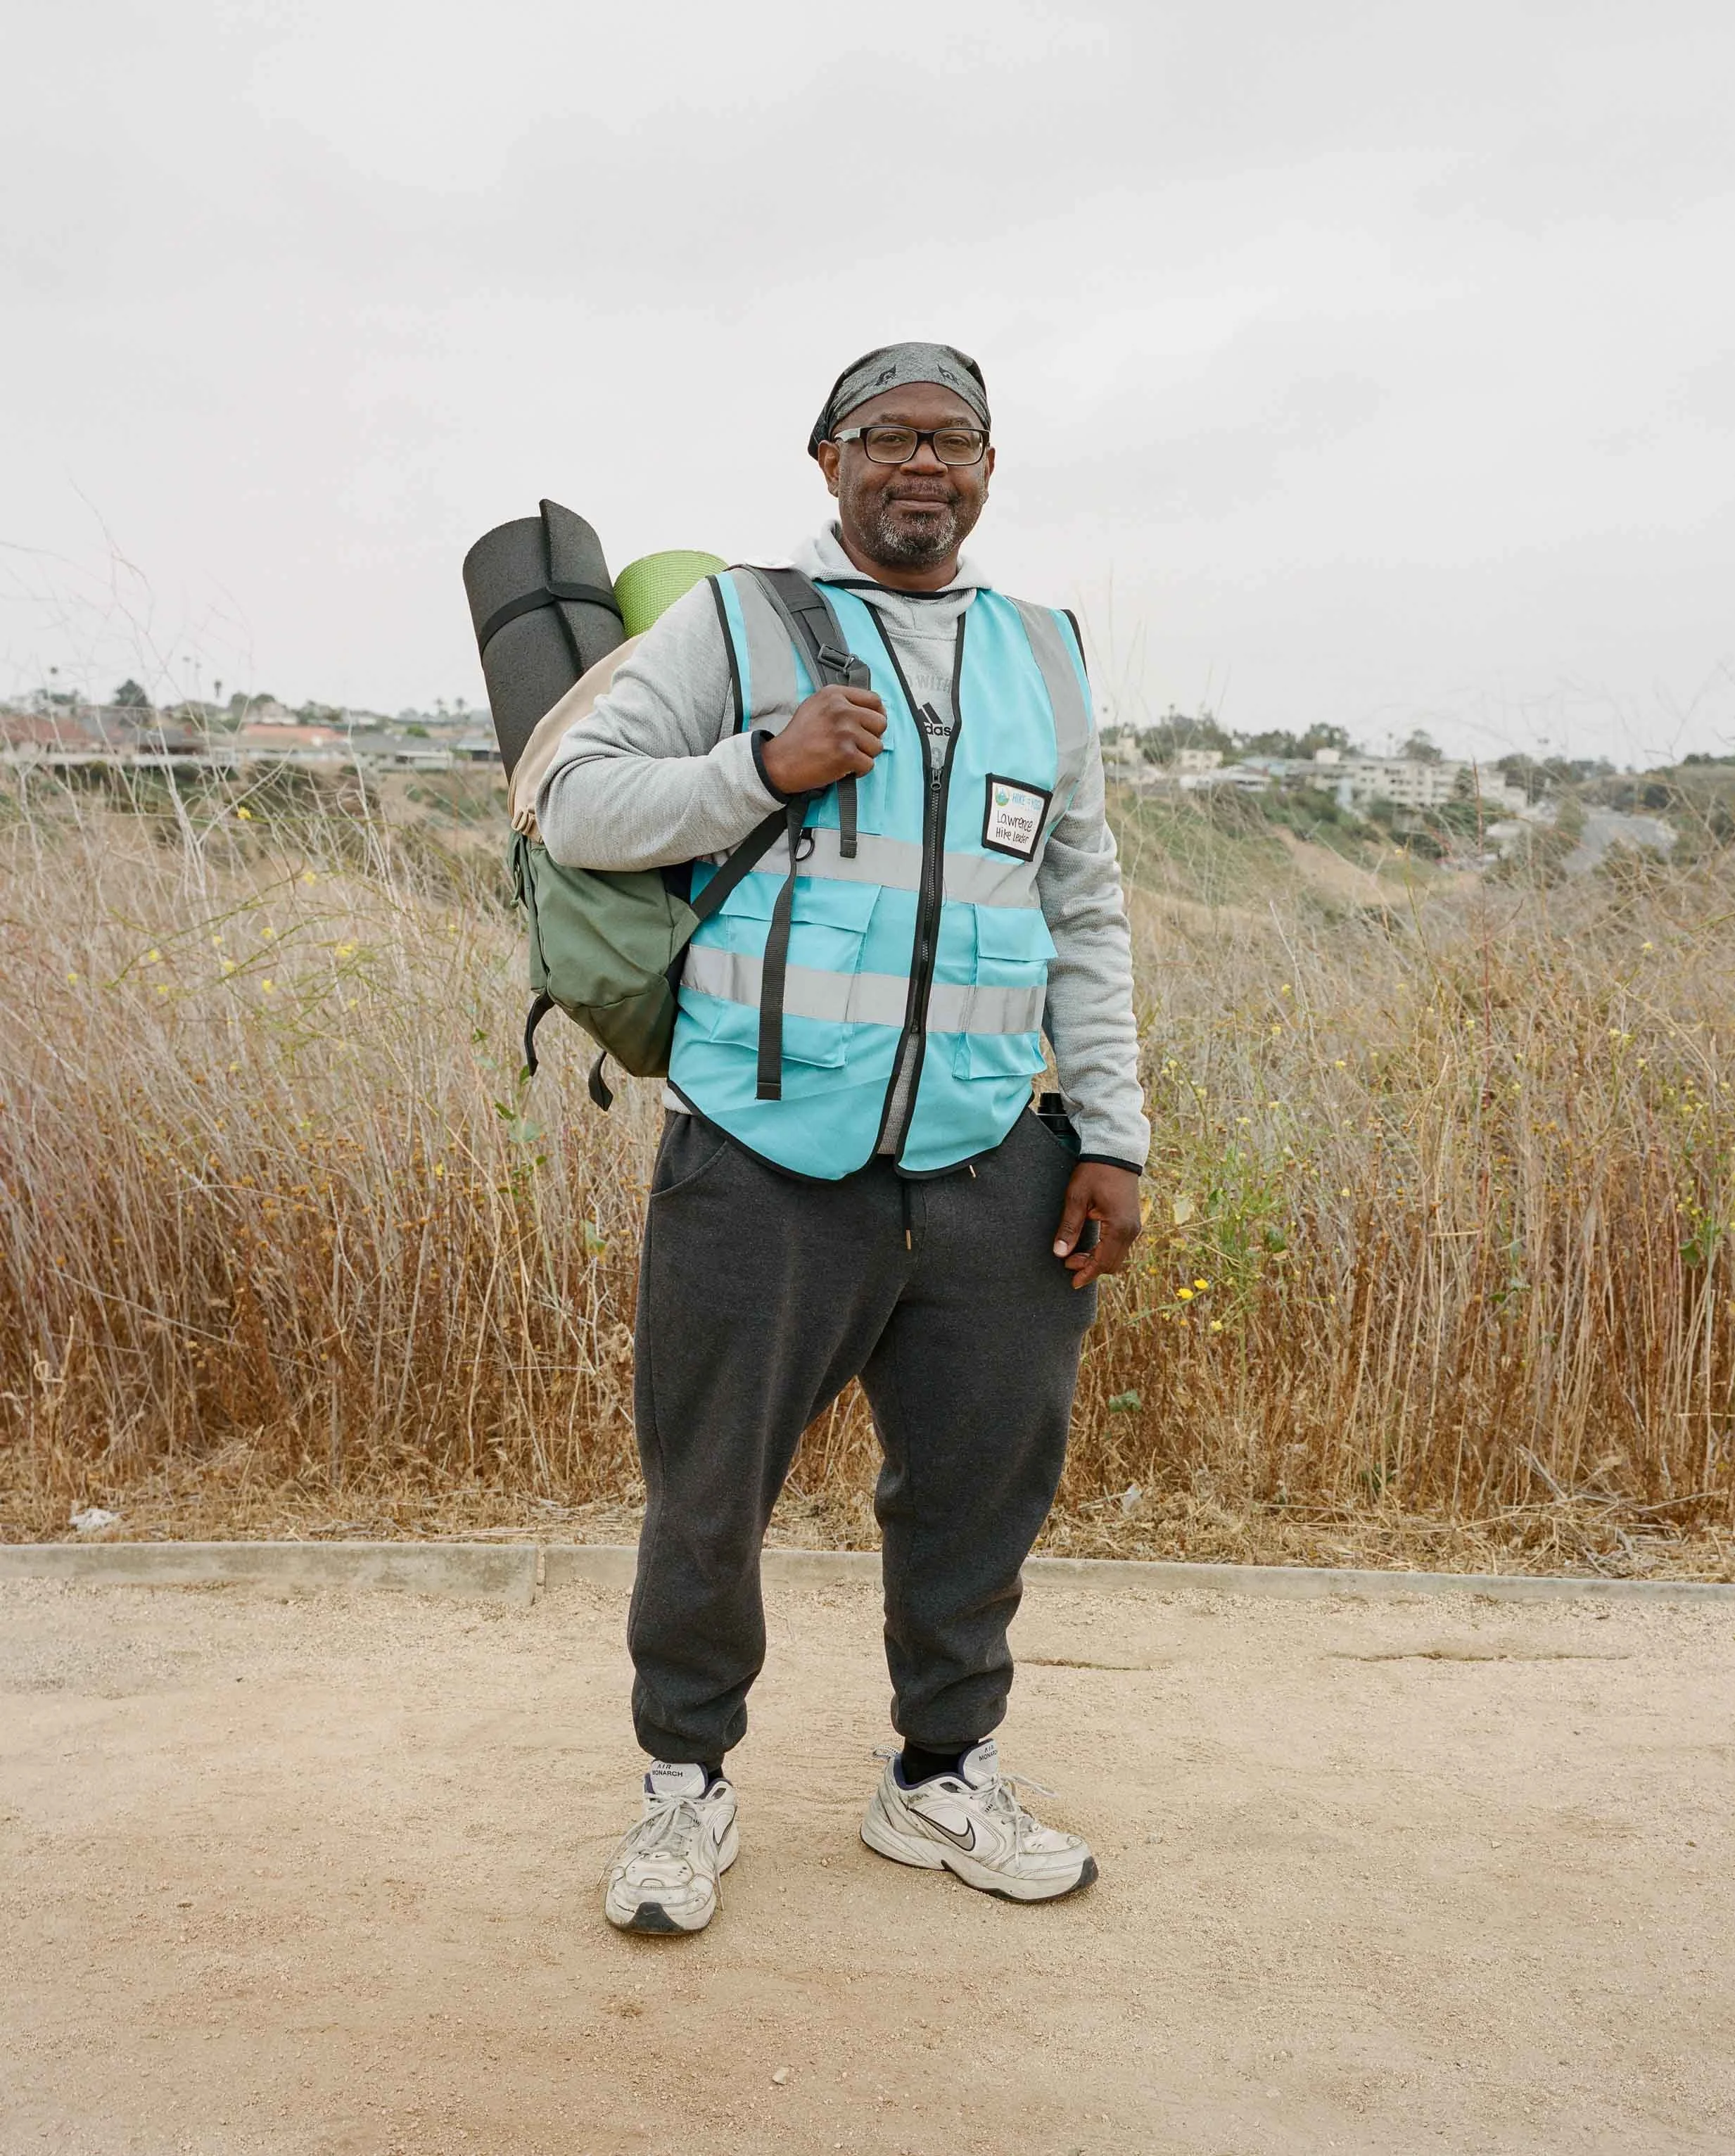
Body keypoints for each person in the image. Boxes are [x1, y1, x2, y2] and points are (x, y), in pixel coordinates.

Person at [537, 341, 1149, 1934]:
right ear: (826, 462)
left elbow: (1081, 905)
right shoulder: (733, 623)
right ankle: (685, 1787)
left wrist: (1110, 1131)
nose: (921, 464)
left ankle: (937, 1775)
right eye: (886, 435)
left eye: (952, 437)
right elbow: (573, 802)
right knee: (707, 1491)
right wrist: (761, 764)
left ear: (988, 469)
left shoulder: (1047, 651)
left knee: (977, 1485)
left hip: (989, 1155)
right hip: (758, 1149)